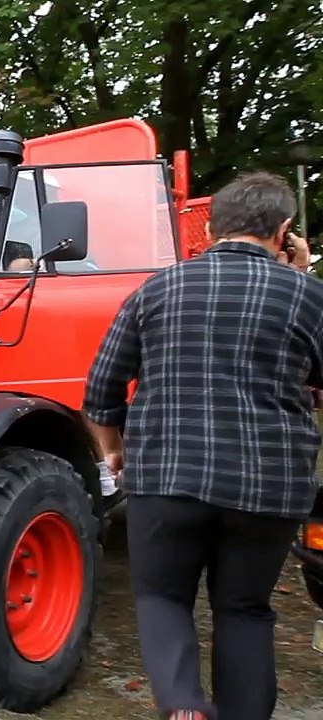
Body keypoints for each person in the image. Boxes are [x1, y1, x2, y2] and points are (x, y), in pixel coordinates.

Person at [83, 171, 318, 720]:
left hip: (165, 477)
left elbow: (100, 389)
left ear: (210, 227)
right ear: (285, 230)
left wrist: (112, 451)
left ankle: (184, 707)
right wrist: (301, 279)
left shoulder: (157, 290)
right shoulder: (309, 296)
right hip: (270, 485)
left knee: (162, 598)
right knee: (245, 609)